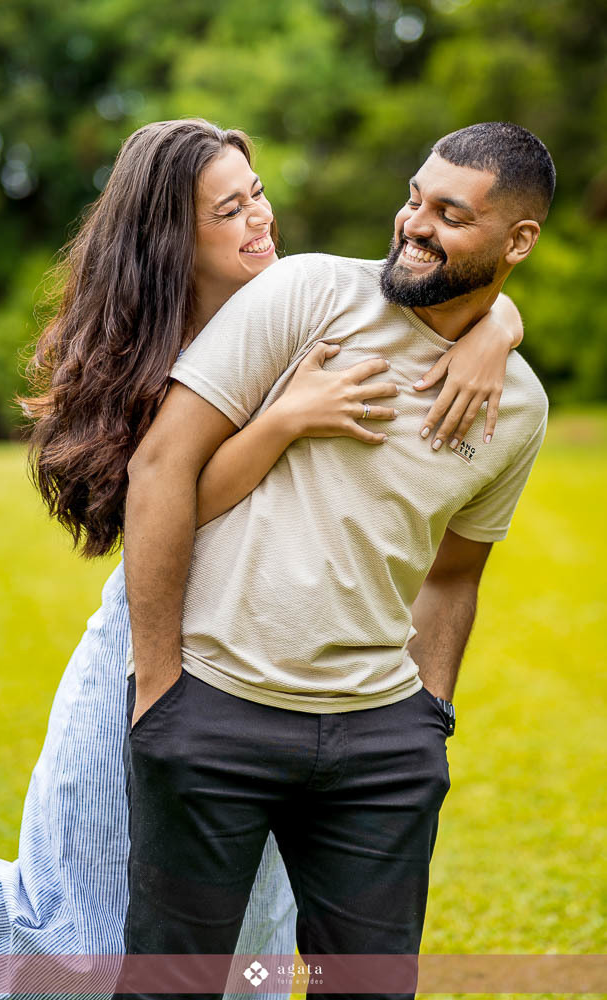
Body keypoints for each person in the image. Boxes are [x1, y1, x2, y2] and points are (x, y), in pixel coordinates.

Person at [0, 119, 526, 1000]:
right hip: (160, 637)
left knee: (245, 970)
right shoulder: (157, 349)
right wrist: (282, 421)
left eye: (257, 195)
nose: (260, 219)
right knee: (70, 954)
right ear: (171, 237)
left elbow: (442, 282)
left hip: (289, 690)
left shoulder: (308, 300)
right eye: (229, 209)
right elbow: (161, 504)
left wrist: (497, 328)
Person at [117, 121, 555, 1000]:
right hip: (215, 710)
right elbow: (161, 465)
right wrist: (160, 683)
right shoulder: (310, 291)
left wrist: (426, 718)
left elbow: (453, 575)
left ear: (516, 241)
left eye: (449, 214)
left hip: (380, 748)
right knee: (174, 986)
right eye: (413, 198)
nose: (414, 224)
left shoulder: (517, 406)